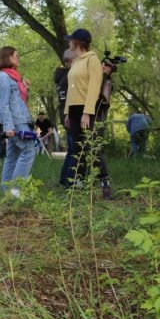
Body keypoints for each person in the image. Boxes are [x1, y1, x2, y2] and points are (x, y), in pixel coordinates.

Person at [63, 29, 112, 199]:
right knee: (77, 148)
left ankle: (105, 184)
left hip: (87, 109)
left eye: (71, 40)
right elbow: (70, 89)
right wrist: (67, 112)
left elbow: (94, 88)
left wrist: (87, 113)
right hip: (74, 109)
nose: (68, 42)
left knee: (92, 148)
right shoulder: (75, 62)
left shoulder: (92, 59)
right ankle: (79, 183)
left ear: (77, 42)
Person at [0, 46, 36, 197]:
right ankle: (16, 189)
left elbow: (19, 102)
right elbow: (3, 105)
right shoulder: (4, 77)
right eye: (15, 56)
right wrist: (9, 126)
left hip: (19, 119)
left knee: (13, 154)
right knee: (29, 151)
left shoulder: (14, 77)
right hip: (16, 122)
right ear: (7, 57)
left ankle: (6, 191)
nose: (18, 58)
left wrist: (25, 88)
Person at [56, 49, 77, 187]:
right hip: (69, 114)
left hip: (64, 113)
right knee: (75, 149)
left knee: (71, 149)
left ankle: (64, 179)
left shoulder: (61, 75)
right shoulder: (69, 76)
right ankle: (71, 182)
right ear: (72, 60)